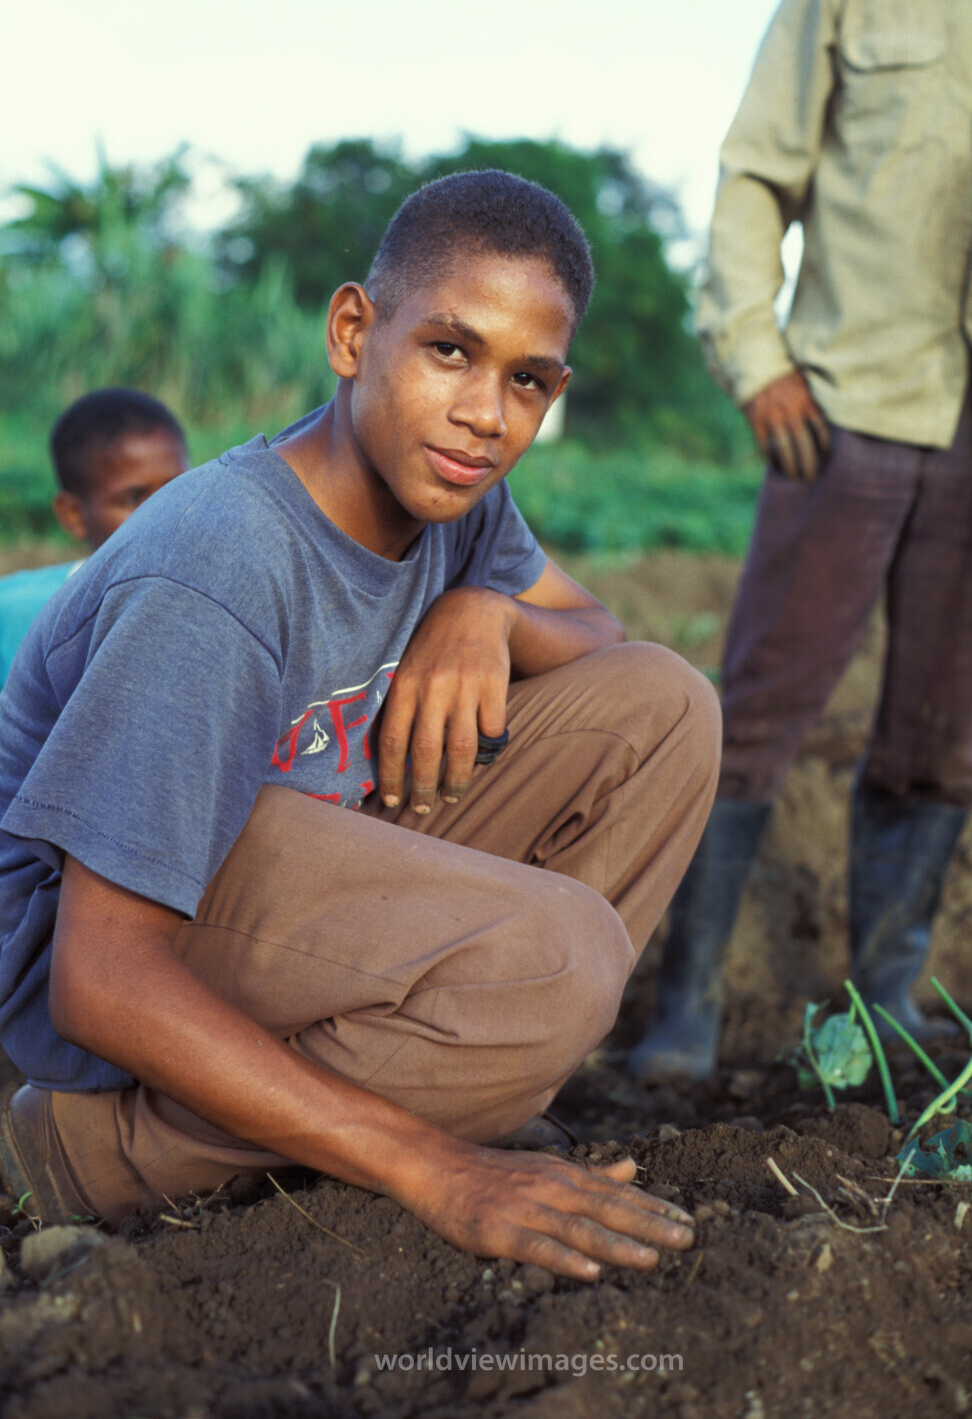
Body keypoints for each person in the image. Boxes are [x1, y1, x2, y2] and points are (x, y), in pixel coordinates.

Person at [0, 171, 720, 1280]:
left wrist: (489, 614)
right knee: (560, 961)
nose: (486, 414)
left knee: (666, 707)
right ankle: (93, 1152)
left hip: (277, 871)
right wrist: (437, 1171)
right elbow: (99, 975)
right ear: (352, 333)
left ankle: (462, 1078)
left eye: (525, 380)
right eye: (450, 350)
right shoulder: (220, 564)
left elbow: (600, 631)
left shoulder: (459, 493)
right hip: (95, 972)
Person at [630, 0, 972, 1083]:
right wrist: (755, 354)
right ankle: (686, 1005)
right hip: (843, 405)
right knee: (761, 709)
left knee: (944, 729)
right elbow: (754, 180)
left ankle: (890, 998)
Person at [0, 389, 189, 685]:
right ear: (73, 515)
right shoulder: (15, 620)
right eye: (133, 498)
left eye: (180, 487)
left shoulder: (224, 608)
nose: (166, 511)